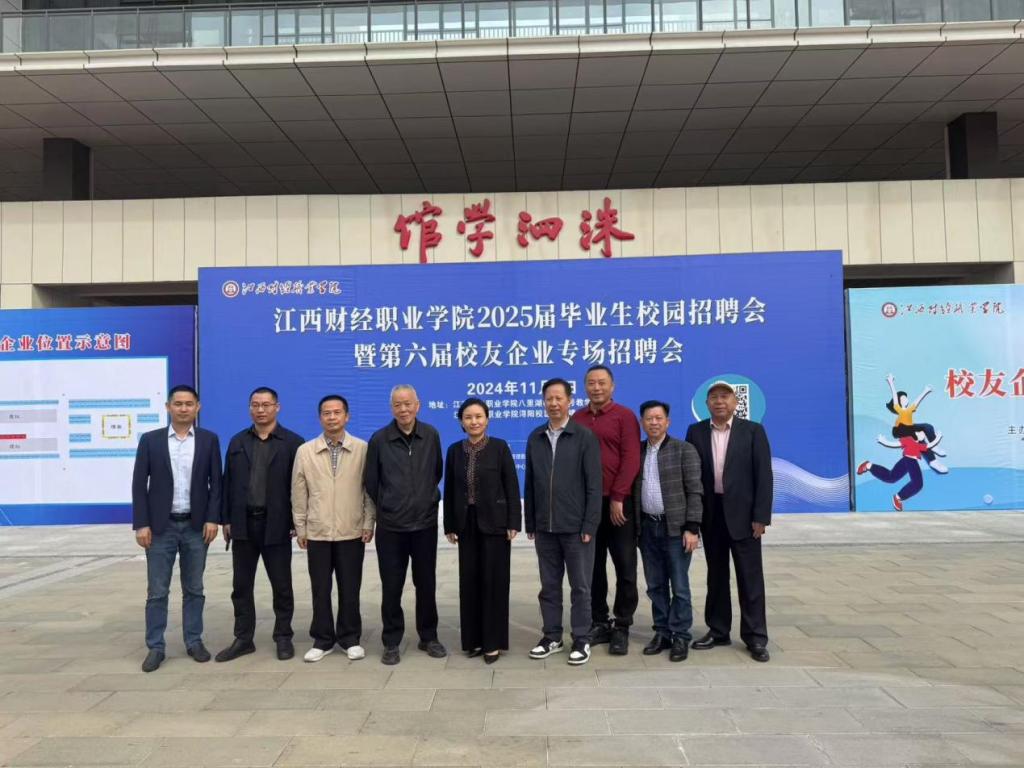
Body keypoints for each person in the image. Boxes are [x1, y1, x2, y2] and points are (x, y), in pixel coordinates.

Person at [132, 384, 222, 673]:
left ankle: (194, 641)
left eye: (189, 404)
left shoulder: (209, 440)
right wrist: (142, 524)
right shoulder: (151, 440)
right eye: (178, 404)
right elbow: (139, 485)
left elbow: (216, 484)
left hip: (196, 526)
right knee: (157, 591)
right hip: (161, 527)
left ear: (198, 407)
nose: (183, 408)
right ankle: (155, 647)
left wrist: (212, 519)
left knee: (194, 588)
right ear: (168, 407)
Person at [685, 380, 773, 663]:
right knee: (716, 576)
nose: (719, 401)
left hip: (745, 518)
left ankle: (755, 636)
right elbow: (692, 476)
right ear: (706, 404)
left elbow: (764, 476)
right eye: (714, 397)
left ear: (736, 402)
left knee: (750, 578)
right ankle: (718, 630)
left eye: (725, 397)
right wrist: (693, 520)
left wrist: (761, 517)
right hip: (712, 515)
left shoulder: (753, 431)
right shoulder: (696, 431)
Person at [216, 387, 305, 663]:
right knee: (241, 586)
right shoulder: (237, 441)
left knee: (282, 585)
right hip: (243, 525)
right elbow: (227, 483)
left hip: (277, 525)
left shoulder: (293, 443)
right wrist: (226, 519)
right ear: (249, 408)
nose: (260, 410)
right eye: (255, 405)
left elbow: (300, 486)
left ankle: (283, 636)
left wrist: (296, 521)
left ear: (277, 407)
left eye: (266, 405)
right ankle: (243, 638)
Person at [364, 385, 445, 665]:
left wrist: (425, 499)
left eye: (408, 403)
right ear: (392, 408)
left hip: (424, 525)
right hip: (391, 527)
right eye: (398, 405)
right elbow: (371, 481)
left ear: (418, 405)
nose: (403, 409)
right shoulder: (380, 439)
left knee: (426, 584)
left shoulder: (431, 435)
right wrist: (390, 504)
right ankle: (391, 641)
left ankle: (429, 637)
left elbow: (436, 472)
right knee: (392, 586)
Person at [524, 378, 603, 666]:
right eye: (549, 398)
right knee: (549, 586)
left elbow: (594, 485)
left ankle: (581, 638)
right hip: (545, 528)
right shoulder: (536, 437)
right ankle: (552, 636)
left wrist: (589, 524)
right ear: (543, 402)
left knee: (581, 587)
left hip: (576, 528)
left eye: (559, 398)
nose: (554, 403)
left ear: (570, 401)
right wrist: (530, 522)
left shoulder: (583, 436)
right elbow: (530, 483)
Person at [291, 395, 375, 662]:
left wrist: (368, 522)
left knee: (350, 588)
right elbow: (298, 492)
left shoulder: (362, 449)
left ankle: (350, 638)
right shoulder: (305, 451)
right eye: (326, 413)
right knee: (320, 588)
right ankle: (323, 639)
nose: (332, 417)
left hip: (351, 529)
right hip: (318, 531)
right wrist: (301, 527)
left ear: (346, 416)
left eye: (337, 412)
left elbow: (369, 490)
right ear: (320, 418)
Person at [443, 398, 521, 664]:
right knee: (470, 582)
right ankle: (473, 640)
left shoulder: (499, 447)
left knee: (494, 583)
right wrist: (450, 525)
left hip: (495, 524)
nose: (474, 421)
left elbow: (511, 486)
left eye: (478, 416)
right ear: (461, 422)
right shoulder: (455, 451)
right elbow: (450, 490)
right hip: (466, 524)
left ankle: (493, 643)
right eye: (468, 417)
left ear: (487, 419)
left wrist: (513, 522)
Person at [571, 365, 641, 654]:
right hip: (587, 506)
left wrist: (618, 496)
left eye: (602, 383)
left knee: (625, 565)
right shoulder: (577, 418)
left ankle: (622, 624)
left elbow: (631, 458)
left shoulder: (625, 416)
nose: (596, 387)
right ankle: (599, 620)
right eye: (591, 383)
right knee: (592, 567)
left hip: (619, 504)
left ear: (612, 386)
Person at [634, 400, 703, 662]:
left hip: (676, 528)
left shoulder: (684, 450)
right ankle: (662, 632)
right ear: (642, 423)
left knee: (680, 585)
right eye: (649, 418)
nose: (653, 422)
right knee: (655, 585)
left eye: (658, 418)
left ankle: (681, 635)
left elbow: (695, 490)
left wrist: (692, 528)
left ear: (667, 422)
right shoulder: (637, 451)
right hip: (647, 527)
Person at [857, 429, 943, 511]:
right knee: (917, 484)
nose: (923, 434)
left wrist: (938, 437)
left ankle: (868, 466)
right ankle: (898, 497)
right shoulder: (908, 440)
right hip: (909, 460)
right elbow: (894, 444)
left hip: (907, 461)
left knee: (891, 477)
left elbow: (930, 445)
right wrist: (883, 441)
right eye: (920, 432)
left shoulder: (918, 445)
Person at [884, 373, 947, 473]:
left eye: (906, 398)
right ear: (899, 402)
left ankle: (934, 446)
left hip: (909, 427)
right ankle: (933, 461)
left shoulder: (909, 410)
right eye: (903, 398)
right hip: (900, 429)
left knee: (927, 426)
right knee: (919, 440)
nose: (906, 399)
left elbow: (916, 402)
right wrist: (891, 382)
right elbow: (895, 397)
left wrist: (925, 391)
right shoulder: (899, 409)